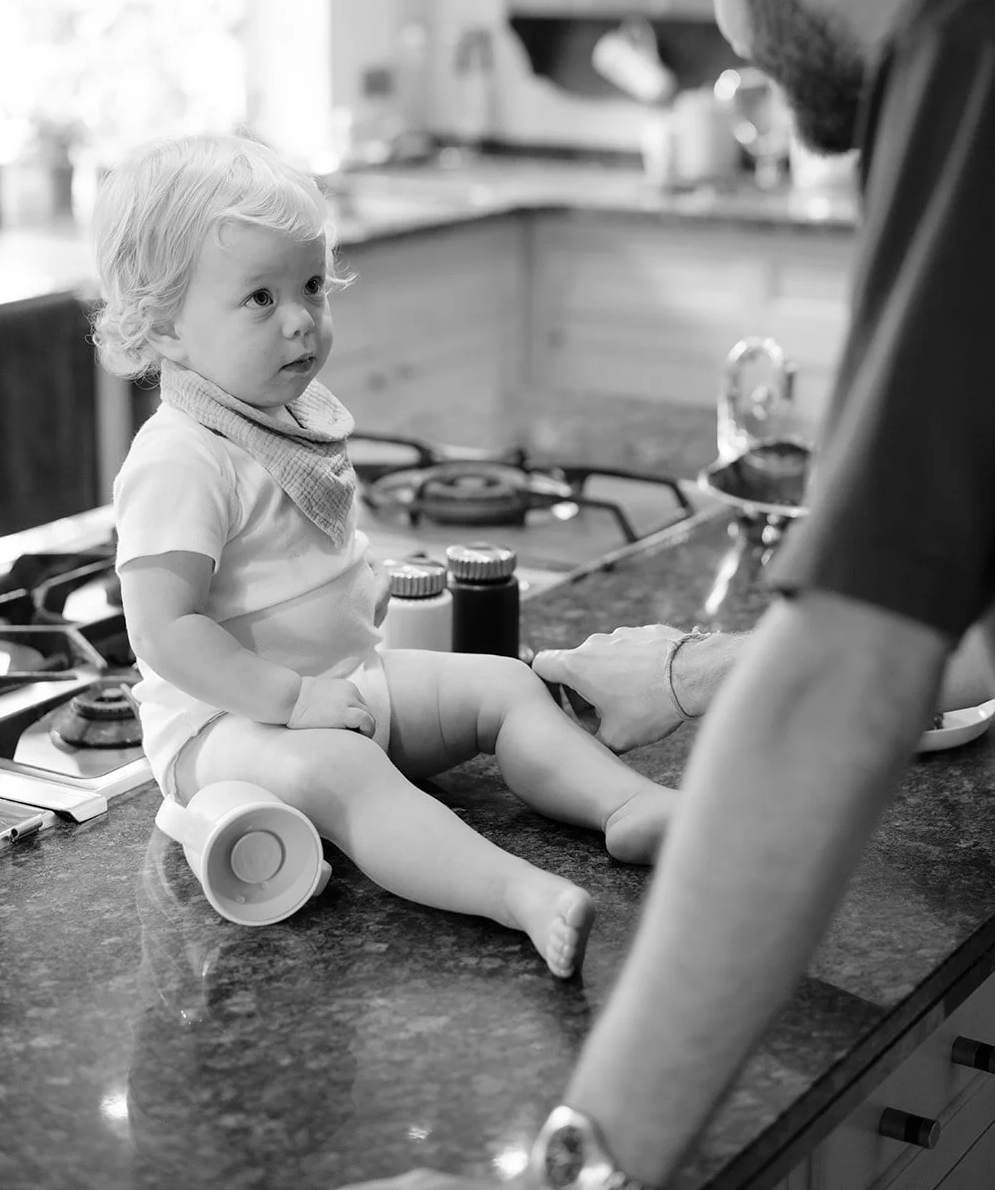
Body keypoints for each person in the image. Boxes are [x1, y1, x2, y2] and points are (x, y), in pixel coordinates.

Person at [337, 0, 995, 1190]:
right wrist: (703, 664)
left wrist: (587, 1165)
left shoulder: (987, 24)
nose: (722, 20)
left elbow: (846, 674)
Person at [93, 133, 681, 979]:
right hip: (223, 729)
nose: (301, 318)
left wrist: (359, 602)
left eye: (310, 286)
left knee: (501, 684)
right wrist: (292, 701)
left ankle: (628, 806)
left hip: (334, 690)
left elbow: (304, 564)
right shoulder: (180, 455)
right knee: (348, 775)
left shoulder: (281, 420)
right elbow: (165, 630)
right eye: (259, 298)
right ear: (165, 330)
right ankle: (517, 894)